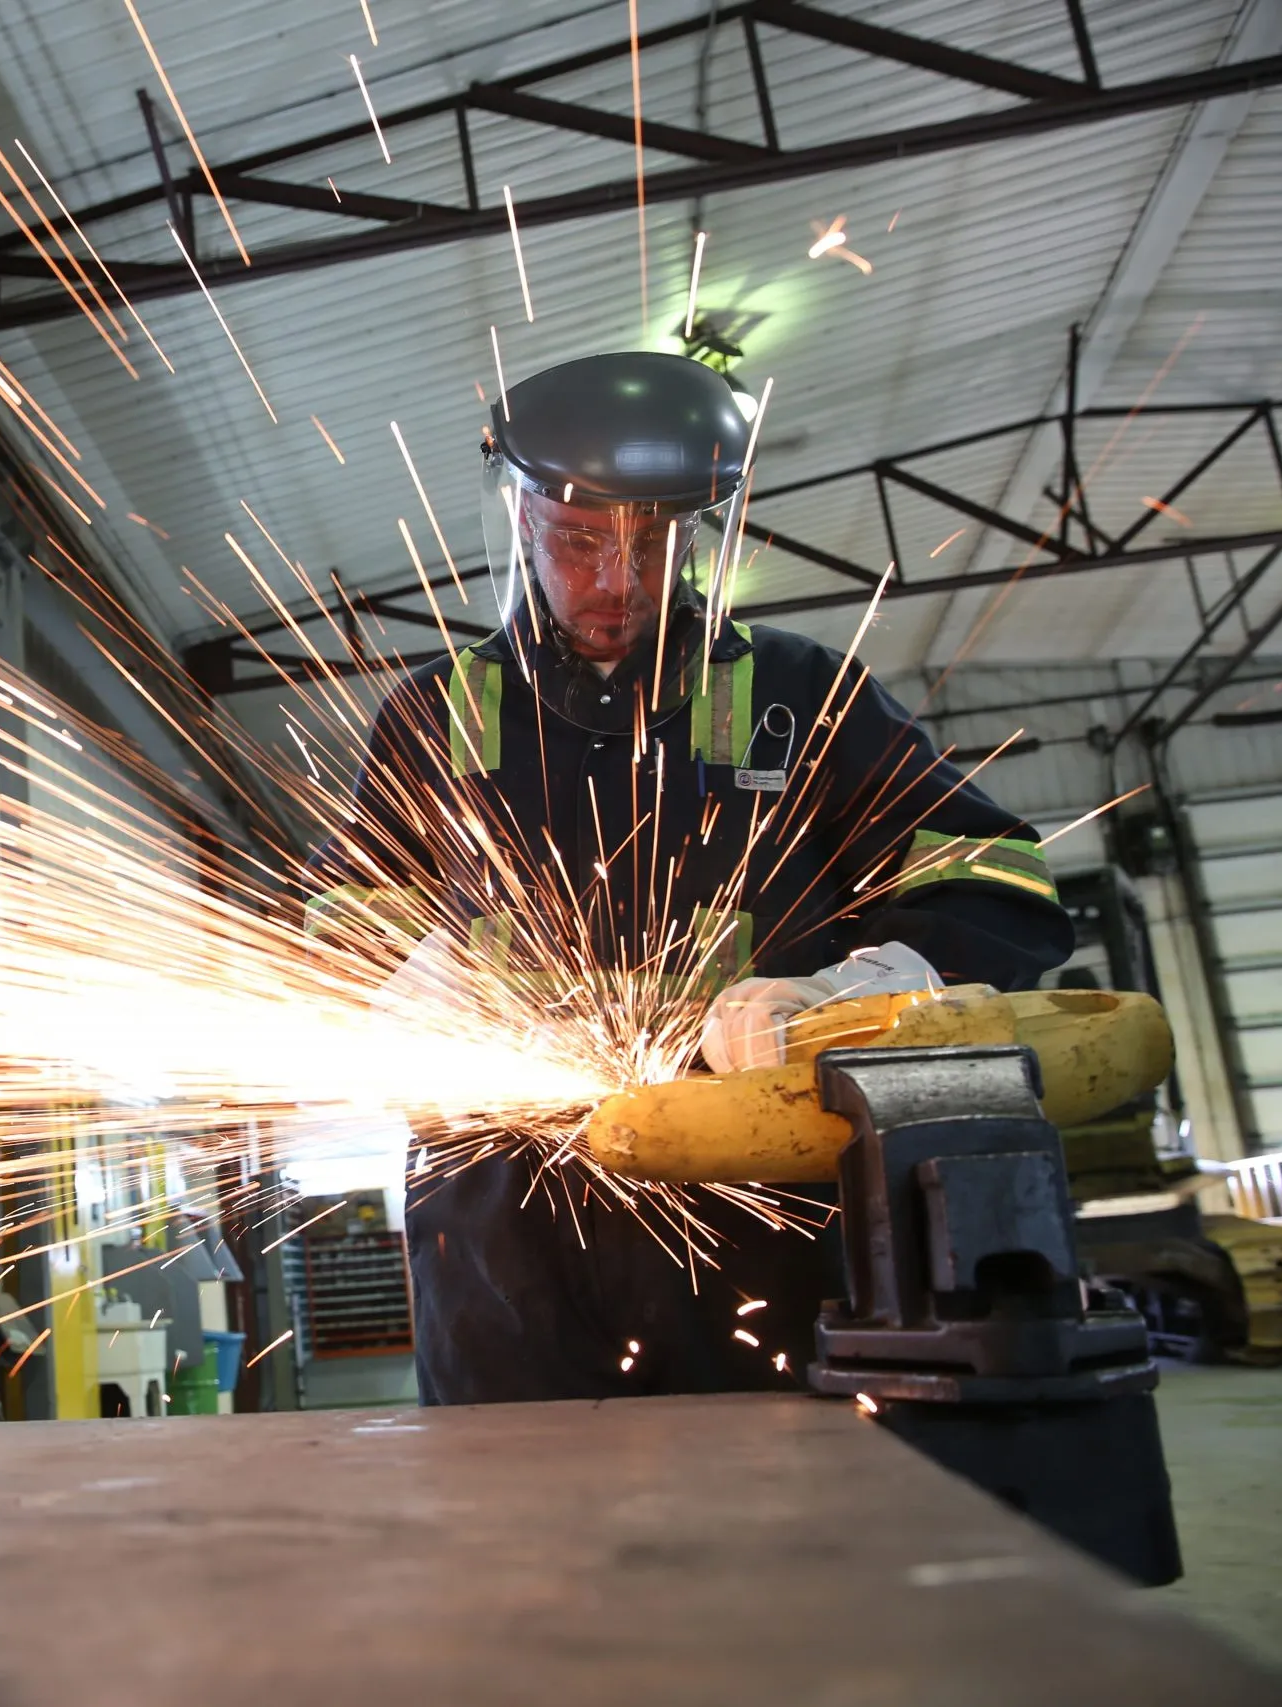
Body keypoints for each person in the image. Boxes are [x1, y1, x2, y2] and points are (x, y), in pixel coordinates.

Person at [302, 350, 1072, 1405]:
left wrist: (871, 985)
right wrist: (392, 986)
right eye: (580, 542)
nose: (617, 581)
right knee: (511, 1528)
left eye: (651, 543)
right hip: (499, 1221)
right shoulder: (433, 716)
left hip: (757, 1205)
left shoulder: (803, 693)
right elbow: (346, 918)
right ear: (521, 518)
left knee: (776, 1518)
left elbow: (998, 880)